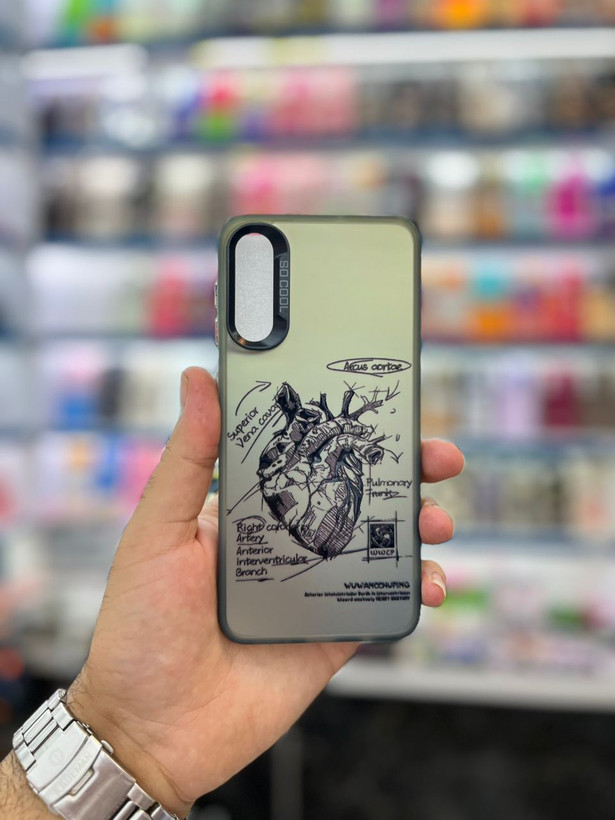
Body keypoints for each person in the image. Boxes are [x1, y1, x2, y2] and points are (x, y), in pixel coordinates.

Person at [0, 368, 464, 819]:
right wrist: (131, 740)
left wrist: (130, 742)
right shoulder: (296, 468)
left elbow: (321, 454)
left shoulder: (297, 466)